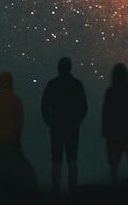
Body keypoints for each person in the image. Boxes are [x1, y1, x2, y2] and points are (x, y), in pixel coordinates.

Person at [41, 57, 88, 198]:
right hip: (72, 127)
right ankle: (73, 191)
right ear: (70, 68)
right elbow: (84, 107)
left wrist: (49, 121)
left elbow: (44, 105)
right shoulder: (77, 84)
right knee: (72, 159)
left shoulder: (52, 84)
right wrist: (77, 121)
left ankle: (56, 192)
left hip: (56, 127)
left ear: (58, 67)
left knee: (56, 160)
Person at [102, 63, 128, 185]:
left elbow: (106, 114)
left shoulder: (110, 92)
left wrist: (106, 132)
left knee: (114, 166)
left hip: (114, 134)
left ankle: (115, 194)